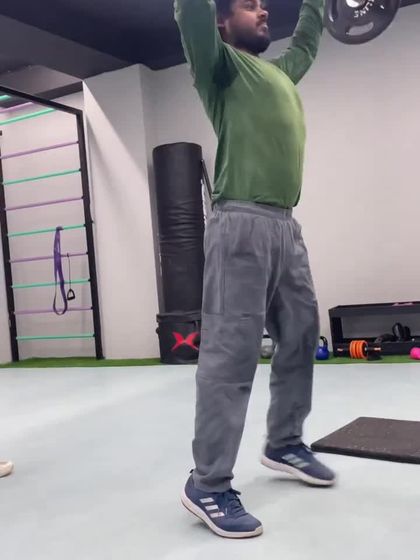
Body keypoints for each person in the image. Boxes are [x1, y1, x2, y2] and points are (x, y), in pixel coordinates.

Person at [175, 0, 335, 539]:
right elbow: (190, 12)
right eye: (250, 4)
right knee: (231, 354)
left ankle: (284, 442)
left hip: (286, 226)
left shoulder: (279, 73)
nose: (263, 10)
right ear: (223, 22)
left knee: (301, 334)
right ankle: (208, 483)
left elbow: (307, 41)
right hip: (239, 223)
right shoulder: (219, 66)